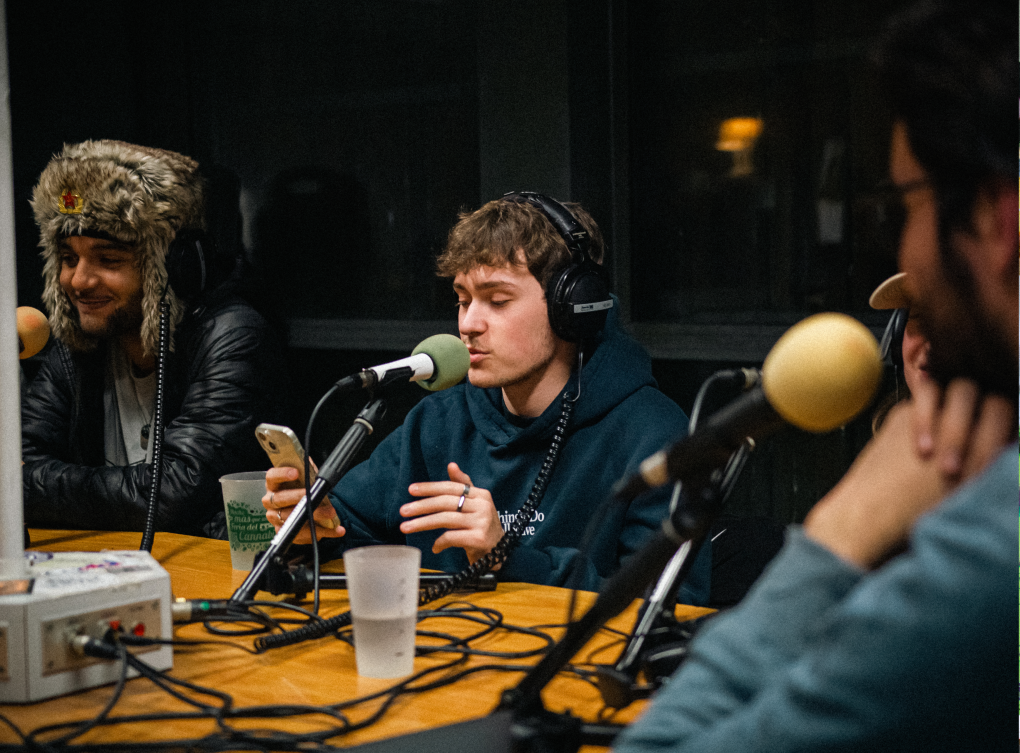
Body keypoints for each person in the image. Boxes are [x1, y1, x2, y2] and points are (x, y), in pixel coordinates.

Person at [614, 2, 1016, 751]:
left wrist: (841, 530)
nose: (902, 245)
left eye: (906, 204)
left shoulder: (993, 539)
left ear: (998, 221)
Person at [265, 194, 711, 600]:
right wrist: (315, 528)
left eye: (497, 301)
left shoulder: (654, 434)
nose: (468, 324)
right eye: (463, 300)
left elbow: (672, 604)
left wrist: (510, 557)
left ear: (572, 308)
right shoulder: (437, 422)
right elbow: (351, 528)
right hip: (443, 654)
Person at [21, 140, 285, 538]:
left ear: (173, 265)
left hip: (208, 564)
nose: (78, 281)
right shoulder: (81, 340)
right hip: (111, 559)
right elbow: (17, 464)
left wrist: (40, 486)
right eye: (69, 258)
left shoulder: (233, 337)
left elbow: (177, 492)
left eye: (108, 260)